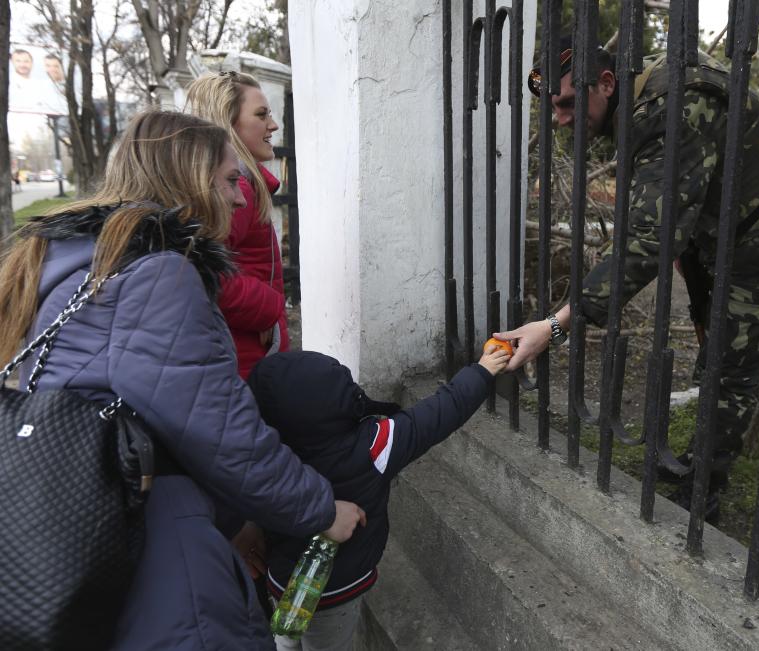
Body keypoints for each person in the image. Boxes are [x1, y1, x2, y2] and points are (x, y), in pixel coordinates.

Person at [0, 110, 366, 649]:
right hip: (154, 551)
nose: (240, 197)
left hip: (78, 527)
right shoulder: (158, 273)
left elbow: (159, 414)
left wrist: (232, 521)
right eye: (227, 179)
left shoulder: (79, 261)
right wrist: (319, 508)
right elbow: (220, 431)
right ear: (189, 178)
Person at [498, 37, 759, 522]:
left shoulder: (671, 107)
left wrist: (554, 325)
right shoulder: (634, 95)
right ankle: (701, 456)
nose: (560, 119)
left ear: (606, 83)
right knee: (708, 332)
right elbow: (656, 213)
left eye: (569, 103)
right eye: (553, 107)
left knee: (732, 360)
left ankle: (704, 492)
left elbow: (648, 237)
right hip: (717, 213)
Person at [246, 342, 511, 651]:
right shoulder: (374, 445)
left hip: (279, 577)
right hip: (336, 592)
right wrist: (482, 371)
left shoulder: (263, 456)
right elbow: (440, 412)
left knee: (286, 634)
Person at [185, 71, 288, 381]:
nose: (273, 125)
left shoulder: (237, 185)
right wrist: (270, 310)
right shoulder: (238, 190)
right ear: (227, 124)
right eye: (261, 115)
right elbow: (200, 268)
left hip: (241, 354)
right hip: (242, 363)